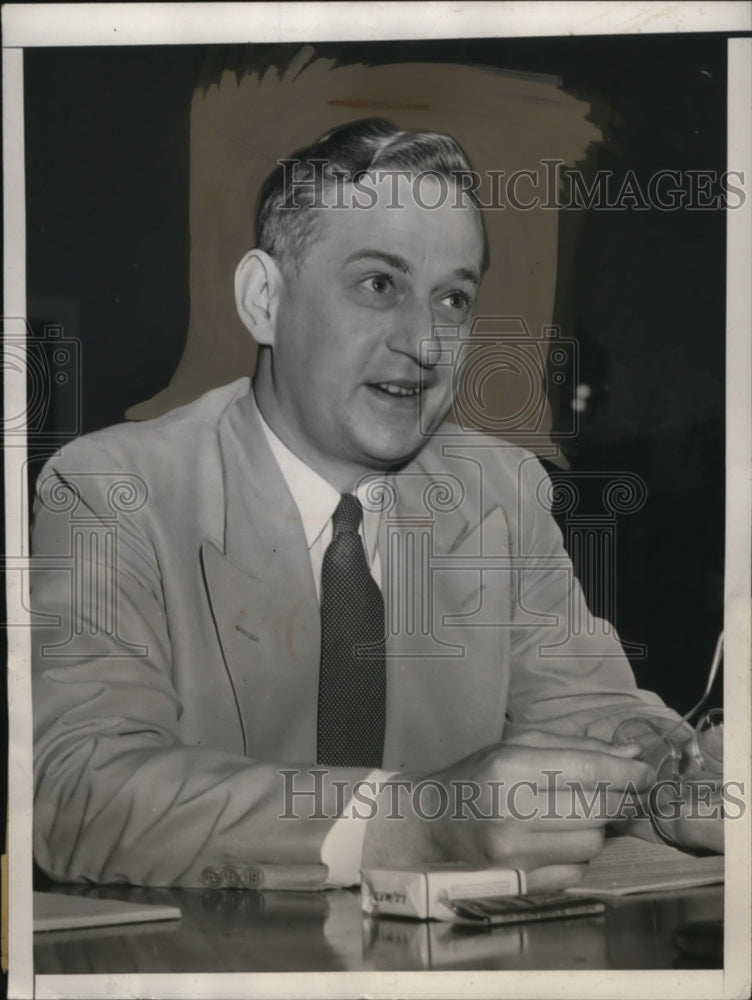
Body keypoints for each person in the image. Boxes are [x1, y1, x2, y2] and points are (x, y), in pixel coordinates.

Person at [30, 118, 722, 890]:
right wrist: (412, 824)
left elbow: (593, 714)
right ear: (264, 299)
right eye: (379, 285)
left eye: (453, 299)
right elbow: (75, 794)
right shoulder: (109, 491)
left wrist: (680, 785)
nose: (425, 344)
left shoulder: (501, 493)